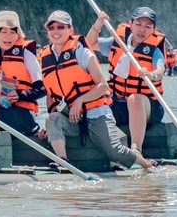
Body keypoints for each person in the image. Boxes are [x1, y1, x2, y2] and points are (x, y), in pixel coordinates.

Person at [38, 10, 153, 170]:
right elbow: (51, 94)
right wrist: (50, 128)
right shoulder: (44, 56)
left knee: (115, 151)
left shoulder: (81, 52)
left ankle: (145, 163)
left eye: (61, 27)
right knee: (52, 118)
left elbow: (103, 86)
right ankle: (63, 161)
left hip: (95, 112)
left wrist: (80, 100)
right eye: (52, 28)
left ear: (70, 30)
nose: (56, 31)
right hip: (72, 115)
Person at [104, 7, 168, 152]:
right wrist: (97, 25)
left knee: (135, 99)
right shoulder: (117, 42)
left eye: (148, 26)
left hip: (148, 108)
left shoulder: (155, 50)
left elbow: (160, 70)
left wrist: (150, 74)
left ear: (153, 29)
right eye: (138, 24)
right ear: (130, 24)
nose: (142, 30)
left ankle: (136, 149)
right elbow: (90, 44)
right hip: (118, 105)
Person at [0, 10, 44, 139]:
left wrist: (20, 95)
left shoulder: (26, 54)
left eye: (12, 32)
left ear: (18, 35)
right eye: (3, 32)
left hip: (23, 113)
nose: (8, 37)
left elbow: (42, 89)